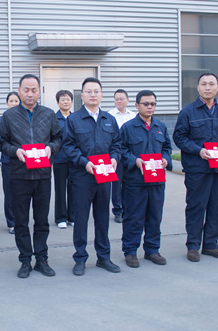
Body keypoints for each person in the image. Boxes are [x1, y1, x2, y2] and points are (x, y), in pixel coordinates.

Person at [0, 74, 62, 279]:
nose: (30, 94)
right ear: (19, 91)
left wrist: (50, 148)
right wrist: (15, 151)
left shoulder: (48, 114)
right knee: (21, 221)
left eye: (34, 90)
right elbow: (2, 142)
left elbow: (58, 138)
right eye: (26, 90)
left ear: (39, 91)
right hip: (19, 175)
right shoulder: (9, 116)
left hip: (43, 175)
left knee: (42, 220)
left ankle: (42, 258)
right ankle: (25, 259)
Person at [172, 73, 218, 262]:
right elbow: (179, 138)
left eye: (211, 84)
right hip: (197, 169)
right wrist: (198, 150)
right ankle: (193, 245)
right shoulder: (188, 112)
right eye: (204, 84)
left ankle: (211, 244)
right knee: (196, 207)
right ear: (198, 88)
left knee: (216, 206)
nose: (208, 87)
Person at [63, 77, 122, 276]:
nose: (93, 95)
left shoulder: (109, 119)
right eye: (89, 91)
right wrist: (84, 162)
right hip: (82, 176)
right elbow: (69, 146)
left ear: (102, 95)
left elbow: (117, 143)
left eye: (96, 91)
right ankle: (80, 258)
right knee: (81, 219)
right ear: (82, 95)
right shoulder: (73, 119)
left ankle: (103, 257)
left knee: (102, 218)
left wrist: (114, 157)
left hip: (105, 175)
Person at [119, 90, 172, 267]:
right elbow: (121, 150)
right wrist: (135, 161)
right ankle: (130, 251)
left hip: (157, 181)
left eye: (153, 104)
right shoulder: (128, 128)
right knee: (134, 217)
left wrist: (166, 159)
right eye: (146, 104)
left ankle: (152, 250)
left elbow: (167, 148)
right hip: (135, 182)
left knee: (154, 217)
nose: (150, 107)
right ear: (137, 105)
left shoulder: (160, 127)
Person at [108, 89, 136, 224]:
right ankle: (117, 210)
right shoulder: (109, 116)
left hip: (130, 153)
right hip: (116, 154)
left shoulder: (134, 116)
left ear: (127, 100)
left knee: (129, 182)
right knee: (116, 183)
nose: (119, 101)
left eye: (121, 99)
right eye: (116, 99)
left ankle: (128, 208)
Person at [0, 92, 21, 234]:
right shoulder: (1, 120)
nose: (14, 103)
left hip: (24, 161)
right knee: (9, 192)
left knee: (22, 192)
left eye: (16, 101)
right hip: (8, 161)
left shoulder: (26, 118)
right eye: (11, 101)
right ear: (7, 103)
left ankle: (21, 221)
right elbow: (1, 139)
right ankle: (12, 222)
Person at [52, 90, 75, 229]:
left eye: (68, 99)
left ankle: (72, 216)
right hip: (59, 158)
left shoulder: (76, 118)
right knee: (60, 189)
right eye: (62, 99)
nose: (66, 102)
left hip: (74, 159)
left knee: (73, 188)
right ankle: (60, 217)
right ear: (58, 102)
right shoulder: (54, 118)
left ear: (71, 102)